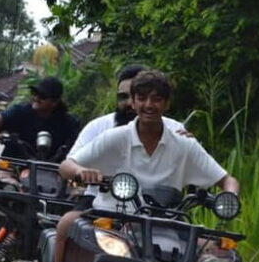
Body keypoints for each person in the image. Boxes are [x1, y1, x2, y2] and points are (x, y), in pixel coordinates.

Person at [55, 69, 240, 262]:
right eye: (142, 98)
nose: (149, 105)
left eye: (157, 99)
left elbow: (227, 180)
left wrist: (230, 198)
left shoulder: (183, 143)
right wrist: (81, 171)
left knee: (218, 258)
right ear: (133, 102)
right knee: (68, 227)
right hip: (113, 223)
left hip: (167, 227)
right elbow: (66, 166)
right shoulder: (114, 137)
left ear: (167, 104)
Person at [69, 64, 188, 210]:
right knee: (70, 221)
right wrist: (80, 171)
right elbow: (70, 164)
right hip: (100, 200)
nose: (129, 103)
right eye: (123, 97)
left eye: (136, 96)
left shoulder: (174, 129)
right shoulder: (98, 127)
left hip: (159, 206)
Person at [0, 76, 81, 160]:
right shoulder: (21, 111)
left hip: (51, 171)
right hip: (13, 166)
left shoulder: (68, 123)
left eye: (42, 96)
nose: (36, 98)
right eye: (35, 93)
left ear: (55, 102)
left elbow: (79, 146)